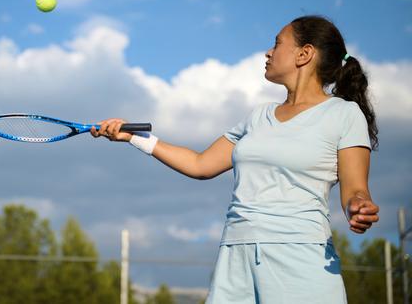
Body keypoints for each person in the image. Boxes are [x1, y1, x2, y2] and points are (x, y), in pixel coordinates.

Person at [91, 15, 379, 303]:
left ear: (304, 54)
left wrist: (358, 206)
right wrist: (134, 137)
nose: (268, 52)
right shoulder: (258, 116)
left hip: (299, 255)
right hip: (234, 254)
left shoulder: (343, 114)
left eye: (277, 44)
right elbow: (200, 164)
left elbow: (355, 189)